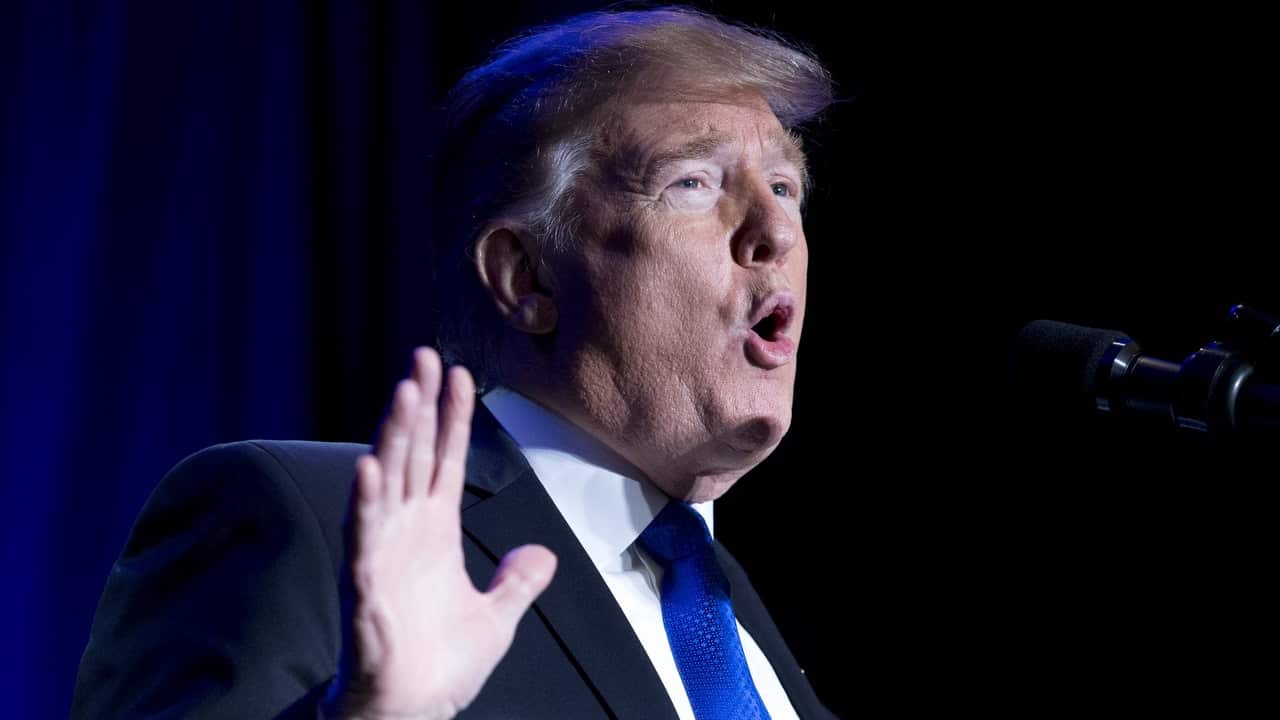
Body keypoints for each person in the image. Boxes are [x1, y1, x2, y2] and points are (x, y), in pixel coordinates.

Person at [72, 6, 837, 719]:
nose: (775, 230)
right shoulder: (301, 519)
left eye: (784, 186)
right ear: (527, 276)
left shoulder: (733, 616)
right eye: (692, 184)